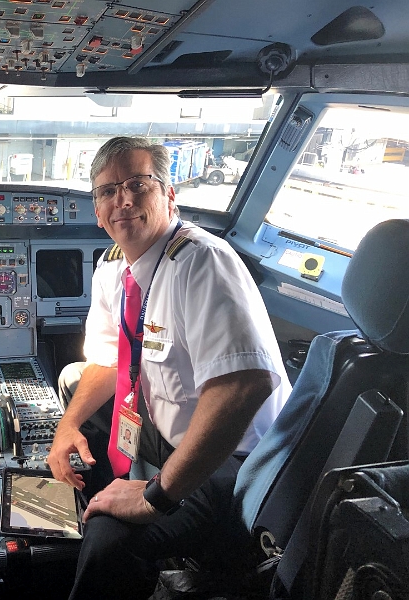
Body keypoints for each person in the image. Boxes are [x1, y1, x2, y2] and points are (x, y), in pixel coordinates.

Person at [47, 136, 291, 598]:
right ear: (98, 212)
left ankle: (116, 537)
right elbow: (108, 360)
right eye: (107, 191)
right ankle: (101, 492)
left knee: (109, 538)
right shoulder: (113, 269)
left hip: (232, 458)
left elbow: (245, 385)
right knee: (73, 380)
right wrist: (67, 426)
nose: (122, 200)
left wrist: (154, 498)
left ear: (169, 194)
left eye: (137, 184)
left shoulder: (202, 262)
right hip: (168, 428)